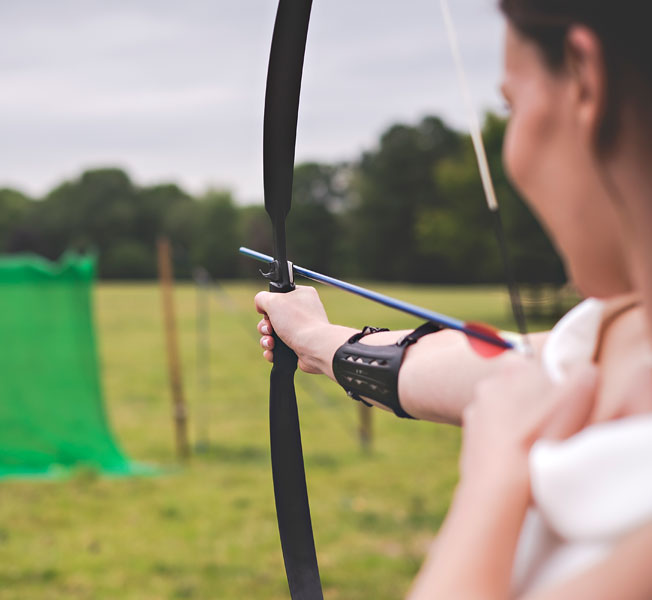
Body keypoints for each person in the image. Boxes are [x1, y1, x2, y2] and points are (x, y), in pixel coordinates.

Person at [254, 1, 652, 597]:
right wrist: (321, 341)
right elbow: (501, 368)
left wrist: (493, 481)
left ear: (585, 81)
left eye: (512, 106)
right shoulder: (623, 332)